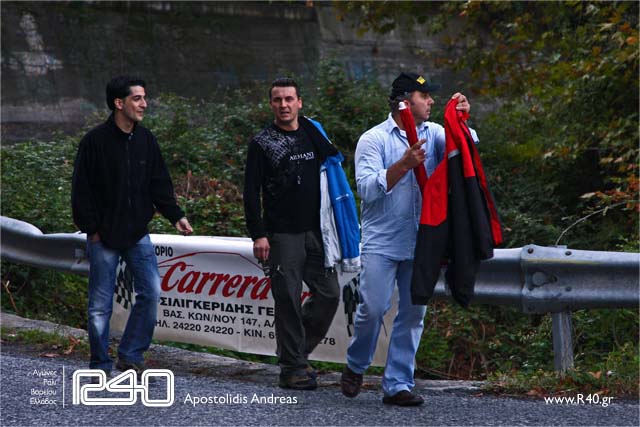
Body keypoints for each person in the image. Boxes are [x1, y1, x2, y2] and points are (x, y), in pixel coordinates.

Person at [341, 72, 474, 406]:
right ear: (404, 101)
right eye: (424, 96)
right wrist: (403, 164)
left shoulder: (435, 133)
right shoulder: (373, 139)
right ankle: (356, 364)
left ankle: (398, 384)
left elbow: (467, 147)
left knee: (414, 314)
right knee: (373, 309)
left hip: (421, 241)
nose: (430, 101)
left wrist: (462, 118)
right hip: (382, 242)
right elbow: (367, 190)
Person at [71, 75, 193, 377]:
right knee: (100, 305)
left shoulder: (146, 140)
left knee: (151, 292)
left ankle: (130, 354)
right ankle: (100, 364)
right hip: (103, 236)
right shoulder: (94, 142)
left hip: (137, 233)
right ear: (119, 103)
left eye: (144, 98)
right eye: (137, 98)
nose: (144, 104)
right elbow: (81, 190)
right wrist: (92, 229)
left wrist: (176, 215)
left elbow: (159, 183)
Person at [243, 77, 359, 391]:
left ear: (299, 102)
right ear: (271, 104)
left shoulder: (312, 132)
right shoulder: (262, 142)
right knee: (288, 301)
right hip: (282, 235)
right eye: (278, 100)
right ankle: (292, 369)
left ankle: (295, 354)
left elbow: (332, 169)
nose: (284, 105)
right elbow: (251, 192)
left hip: (318, 231)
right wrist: (258, 234)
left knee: (330, 294)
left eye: (289, 99)